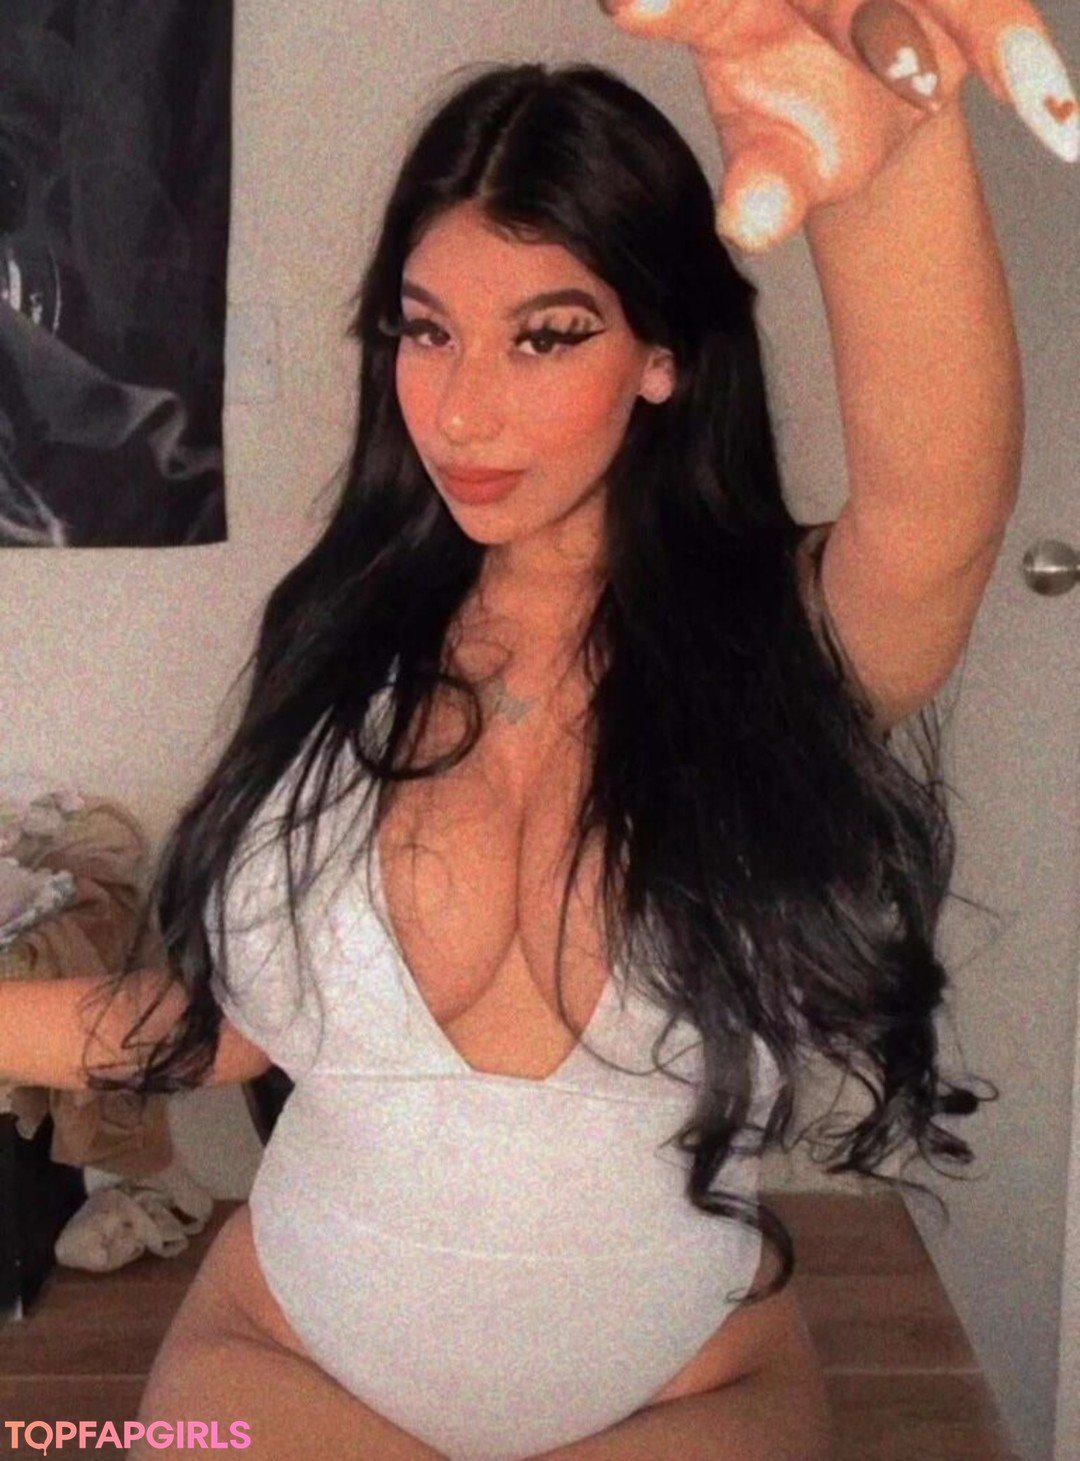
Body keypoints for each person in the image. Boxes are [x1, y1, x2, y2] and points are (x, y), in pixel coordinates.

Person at [2, 0, 1074, 1453]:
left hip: (685, 1387)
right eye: (426, 330)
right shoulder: (339, 643)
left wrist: (890, 169)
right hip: (288, 1358)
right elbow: (226, 1028)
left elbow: (939, 512)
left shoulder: (776, 659)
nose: (461, 412)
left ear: (661, 355)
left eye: (546, 336)